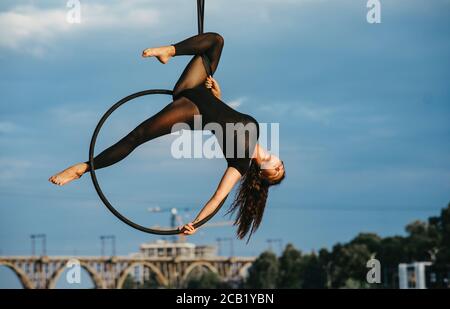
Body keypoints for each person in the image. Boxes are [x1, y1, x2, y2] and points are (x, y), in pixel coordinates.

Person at [49, 33, 285, 241]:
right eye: (282, 165)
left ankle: (82, 168)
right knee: (215, 41)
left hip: (192, 110)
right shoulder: (257, 132)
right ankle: (169, 52)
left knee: (137, 136)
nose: (279, 164)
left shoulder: (240, 163)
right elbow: (226, 115)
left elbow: (218, 198)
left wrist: (197, 223)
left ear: (264, 174)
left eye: (277, 171)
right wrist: (218, 96)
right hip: (195, 89)